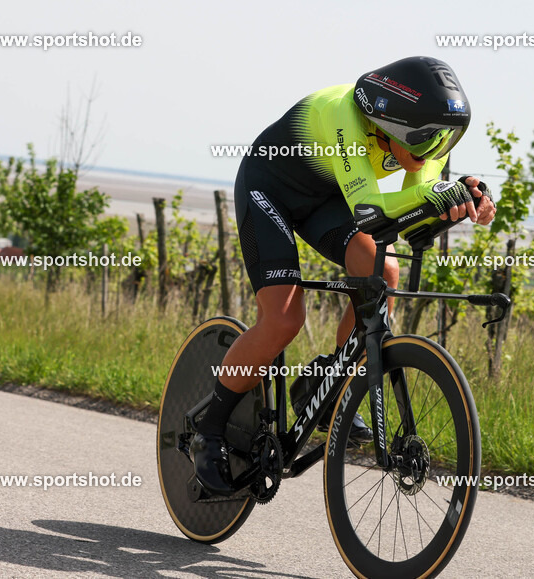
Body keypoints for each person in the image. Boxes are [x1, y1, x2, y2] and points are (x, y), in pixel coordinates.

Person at [192, 56, 496, 494]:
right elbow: (374, 209)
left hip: (325, 198)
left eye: (446, 140)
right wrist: (441, 193)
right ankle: (211, 428)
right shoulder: (344, 116)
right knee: (283, 320)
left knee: (384, 269)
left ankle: (329, 380)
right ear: (393, 125)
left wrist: (457, 203)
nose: (437, 151)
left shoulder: (424, 144)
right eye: (429, 141)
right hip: (269, 188)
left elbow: (408, 215)